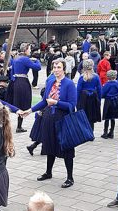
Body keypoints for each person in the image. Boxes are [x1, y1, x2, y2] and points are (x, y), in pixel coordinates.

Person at [22, 59, 77, 188]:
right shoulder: (51, 81)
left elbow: (72, 105)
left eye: (59, 67)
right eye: (54, 67)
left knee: (66, 148)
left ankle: (70, 177)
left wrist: (56, 103)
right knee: (49, 144)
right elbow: (44, 101)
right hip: (48, 118)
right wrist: (29, 110)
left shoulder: (69, 84)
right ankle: (48, 172)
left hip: (62, 119)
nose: (56, 70)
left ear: (64, 69)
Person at [11, 44, 41, 133]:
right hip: (23, 82)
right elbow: (38, 67)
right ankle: (19, 126)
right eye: (29, 49)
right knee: (23, 103)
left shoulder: (16, 58)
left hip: (16, 81)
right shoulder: (25, 59)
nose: (30, 51)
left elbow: (12, 72)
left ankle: (19, 125)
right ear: (25, 50)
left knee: (19, 103)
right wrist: (36, 60)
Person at [76, 60, 102, 131]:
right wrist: (99, 100)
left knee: (83, 115)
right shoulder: (96, 76)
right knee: (91, 115)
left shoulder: (82, 77)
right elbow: (99, 89)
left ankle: (84, 132)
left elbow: (78, 90)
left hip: (83, 98)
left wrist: (77, 102)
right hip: (93, 97)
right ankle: (91, 132)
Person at [101, 70, 118, 139]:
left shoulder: (106, 84)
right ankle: (111, 132)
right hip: (115, 102)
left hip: (108, 101)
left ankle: (105, 133)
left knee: (107, 118)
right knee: (113, 118)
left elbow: (102, 94)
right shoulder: (117, 84)